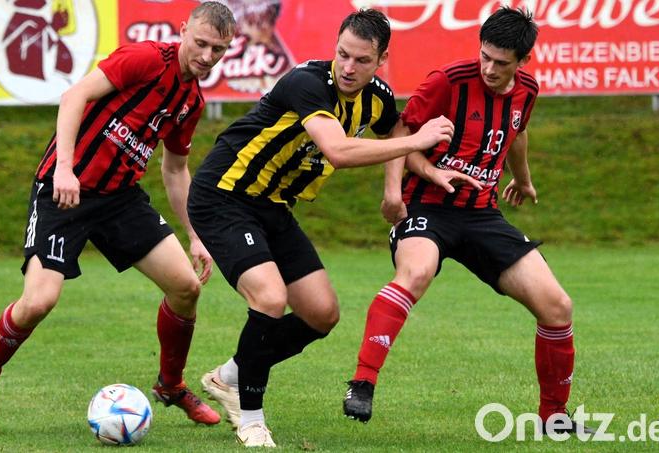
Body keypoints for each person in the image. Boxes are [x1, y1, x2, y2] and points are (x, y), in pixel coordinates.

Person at [187, 9, 475, 447]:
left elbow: (394, 126)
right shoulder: (306, 83)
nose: (348, 67)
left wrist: (395, 190)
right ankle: (250, 418)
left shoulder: (376, 96)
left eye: (361, 60)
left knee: (322, 314)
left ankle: (229, 375)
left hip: (273, 206)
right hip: (223, 196)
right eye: (342, 55)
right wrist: (418, 142)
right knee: (269, 298)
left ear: (381, 60)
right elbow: (338, 150)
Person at [0, 1, 236, 428]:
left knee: (186, 287)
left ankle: (170, 385)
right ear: (183, 30)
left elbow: (175, 169)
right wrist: (65, 169)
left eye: (218, 50)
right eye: (201, 43)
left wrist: (196, 234)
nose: (206, 56)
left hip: (120, 199)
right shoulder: (145, 58)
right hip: (64, 191)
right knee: (39, 301)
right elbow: (75, 95)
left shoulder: (191, 102)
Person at [342, 6, 594, 434]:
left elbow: (518, 130)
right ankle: (362, 383)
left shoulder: (526, 90)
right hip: (426, 206)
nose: (490, 68)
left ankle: (553, 418)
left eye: (502, 62)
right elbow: (403, 134)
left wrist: (524, 179)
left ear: (522, 61)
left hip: (481, 215)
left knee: (557, 306)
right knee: (415, 272)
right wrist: (402, 187)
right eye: (485, 56)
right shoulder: (449, 81)